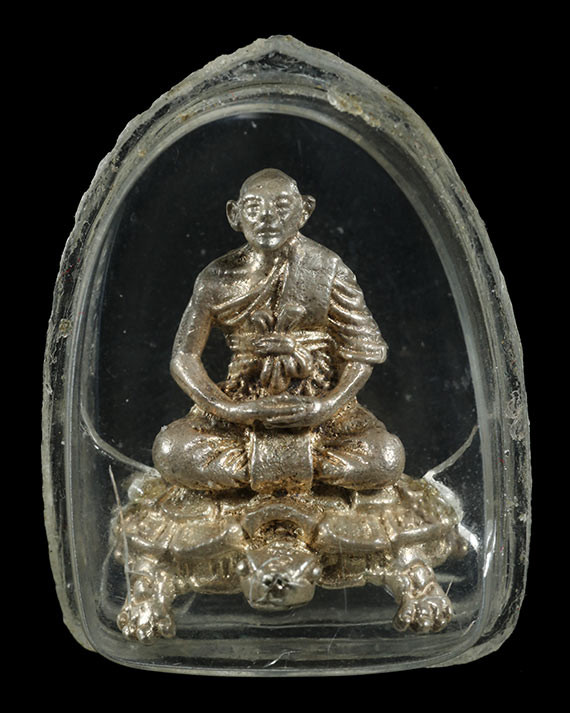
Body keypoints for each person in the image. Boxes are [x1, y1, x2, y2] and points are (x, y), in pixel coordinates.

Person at [153, 169, 405, 493]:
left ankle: (259, 473)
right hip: (242, 407)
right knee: (171, 450)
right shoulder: (216, 279)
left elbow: (362, 351)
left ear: (305, 211)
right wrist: (231, 409)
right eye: (254, 207)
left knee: (385, 456)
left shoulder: (327, 269)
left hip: (321, 410)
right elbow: (184, 357)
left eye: (282, 206)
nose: (267, 218)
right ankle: (304, 471)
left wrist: (326, 406)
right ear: (234, 214)